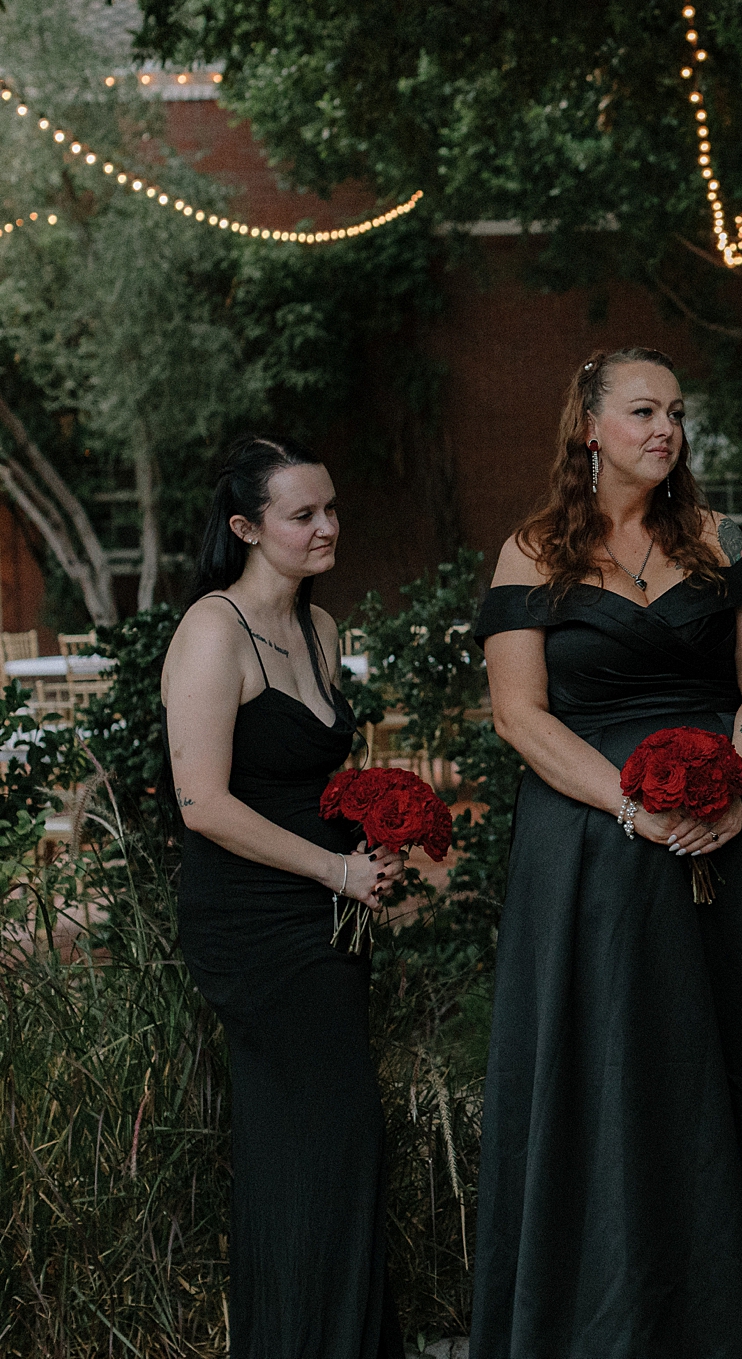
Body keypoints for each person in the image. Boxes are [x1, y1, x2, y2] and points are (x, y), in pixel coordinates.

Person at [471, 347, 742, 1358]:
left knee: (739, 1067)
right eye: (642, 411)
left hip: (733, 840)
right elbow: (520, 716)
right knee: (620, 1072)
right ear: (589, 427)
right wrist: (631, 808)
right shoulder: (532, 551)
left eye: (674, 412)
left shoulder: (717, 538)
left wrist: (739, 791)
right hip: (595, 852)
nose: (665, 428)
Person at [163, 433, 404, 1358]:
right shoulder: (213, 629)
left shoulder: (319, 627)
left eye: (331, 507)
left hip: (326, 911)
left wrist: (371, 836)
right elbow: (203, 803)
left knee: (324, 1146)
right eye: (303, 514)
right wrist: (336, 869)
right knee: (327, 1140)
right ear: (246, 528)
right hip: (253, 924)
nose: (327, 526)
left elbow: (309, 782)